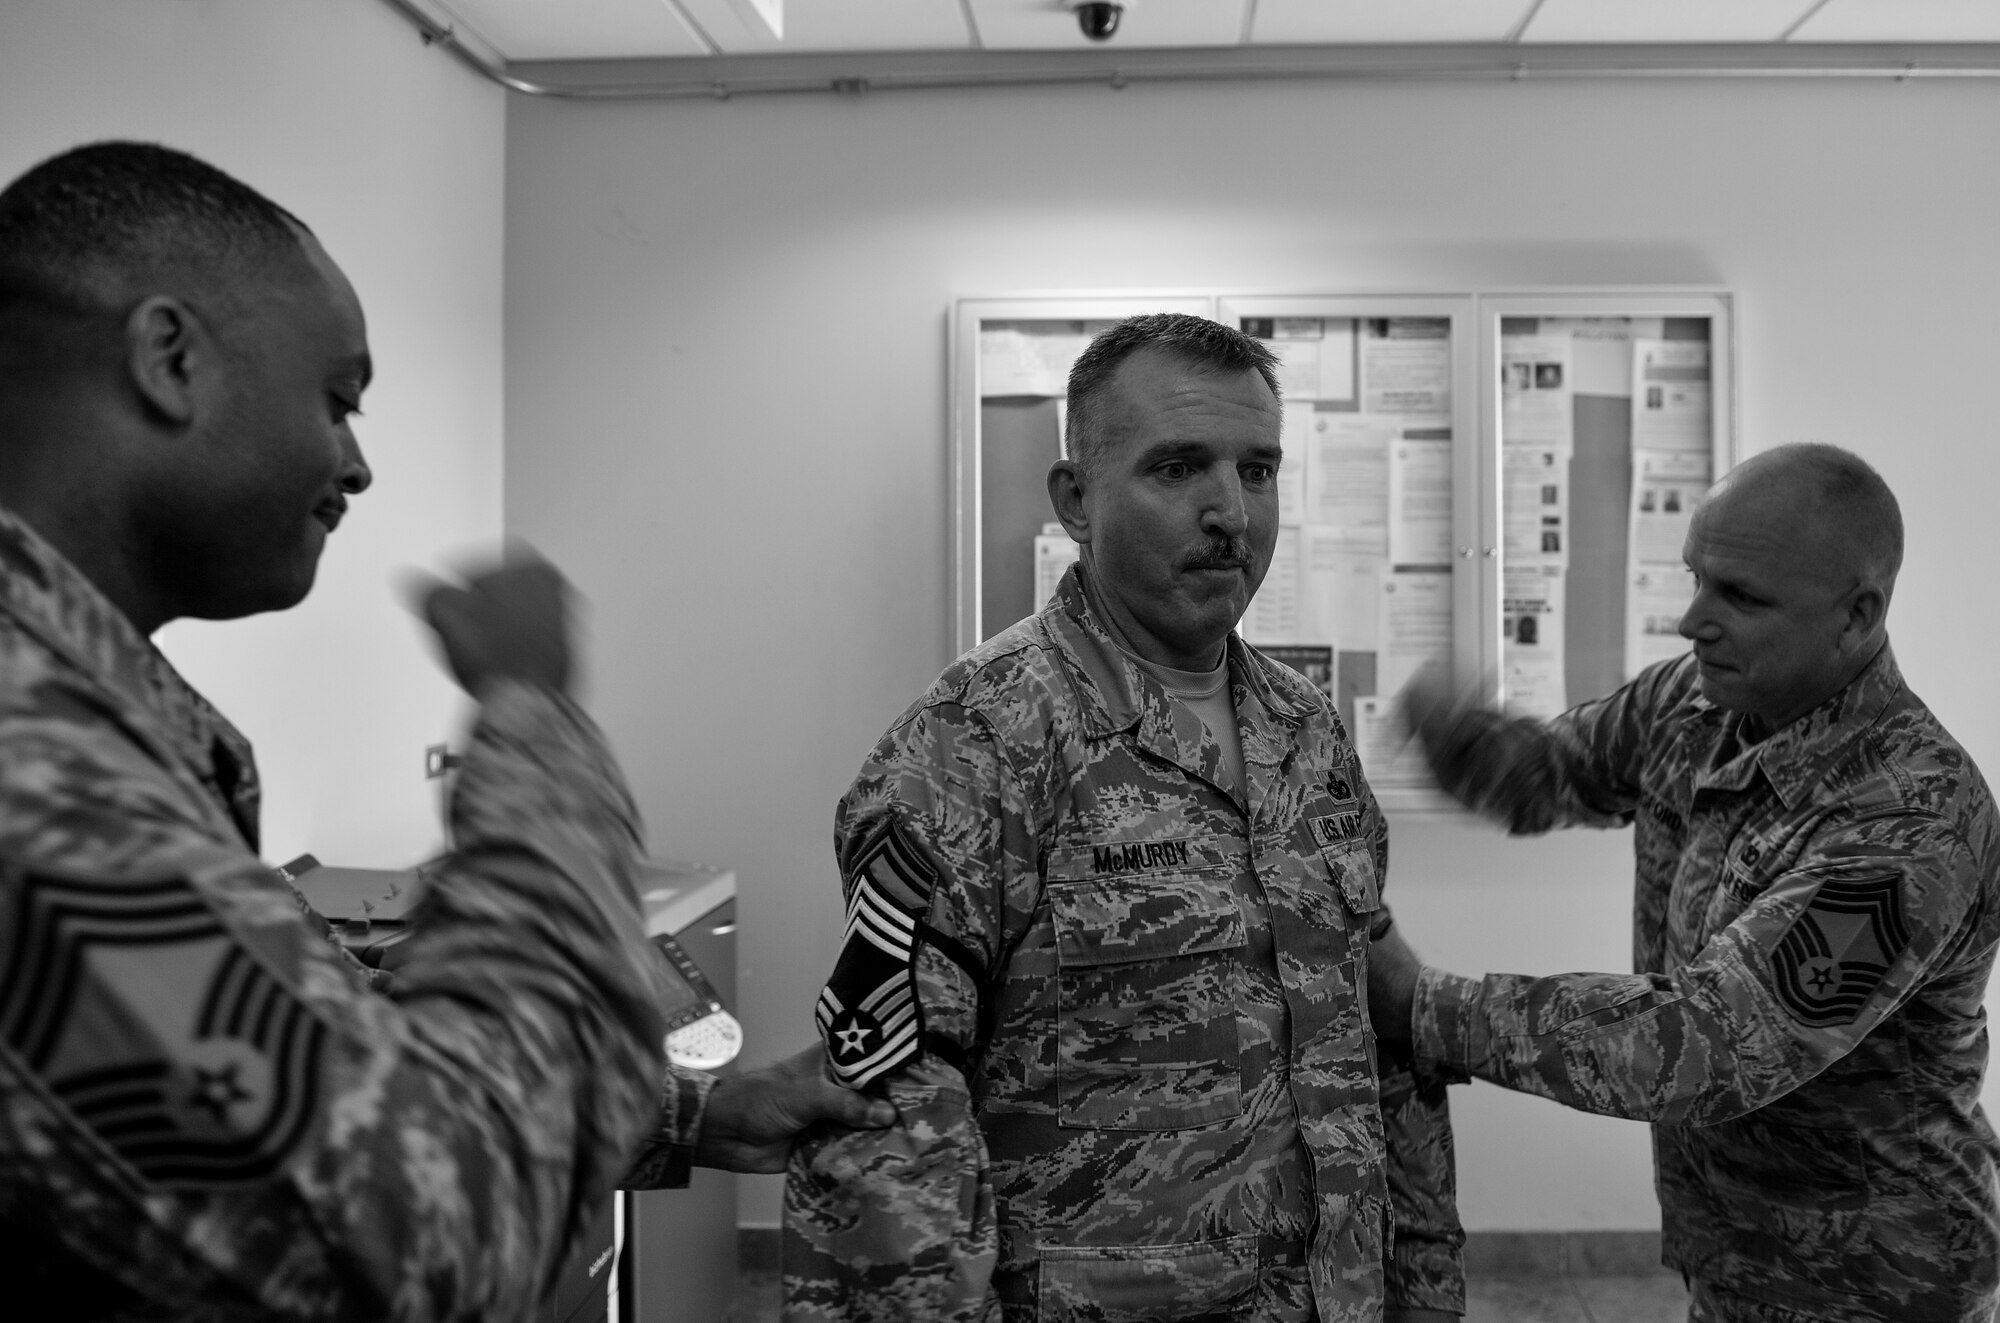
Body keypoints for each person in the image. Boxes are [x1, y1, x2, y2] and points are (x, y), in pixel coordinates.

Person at [0, 140, 887, 1318]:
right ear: (170, 359)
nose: (355, 465)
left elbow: (316, 1095)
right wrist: (530, 716)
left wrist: (694, 1115)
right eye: (337, 399)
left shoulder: (75, 711)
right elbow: (431, 1234)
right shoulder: (35, 764)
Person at [785, 313, 1464, 1323]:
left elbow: (1375, 1053)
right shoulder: (971, 746)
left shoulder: (1305, 733)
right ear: (1074, 499)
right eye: (1177, 468)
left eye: (1258, 471)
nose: (1229, 511)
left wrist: (1423, 1288)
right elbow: (884, 1122)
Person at [1372, 444, 2000, 1323]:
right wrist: (1463, 740)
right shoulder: (1697, 703)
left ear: (1856, 616)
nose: (1691, 619)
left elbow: (1707, 1046)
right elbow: (1557, 771)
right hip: (1731, 1254)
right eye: (1696, 577)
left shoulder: (1910, 821)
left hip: (1874, 1283)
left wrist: (1422, 1007)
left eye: (1739, 596)